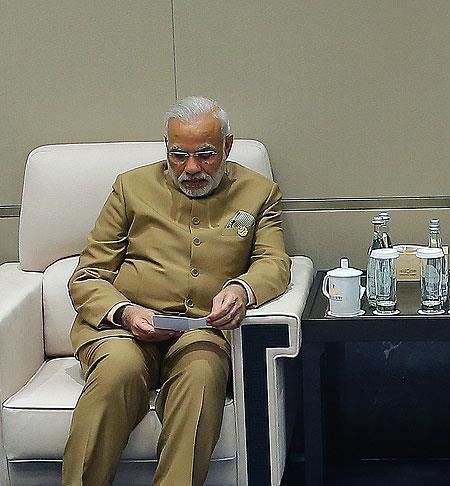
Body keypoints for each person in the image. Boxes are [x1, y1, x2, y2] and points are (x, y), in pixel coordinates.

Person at [62, 96, 291, 485]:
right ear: (166, 148)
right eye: (178, 155)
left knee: (202, 374)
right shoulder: (130, 187)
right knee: (117, 371)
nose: (191, 168)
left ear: (227, 145)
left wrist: (242, 289)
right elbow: (87, 275)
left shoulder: (258, 192)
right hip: (124, 329)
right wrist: (127, 313)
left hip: (201, 330)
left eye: (205, 155)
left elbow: (275, 262)